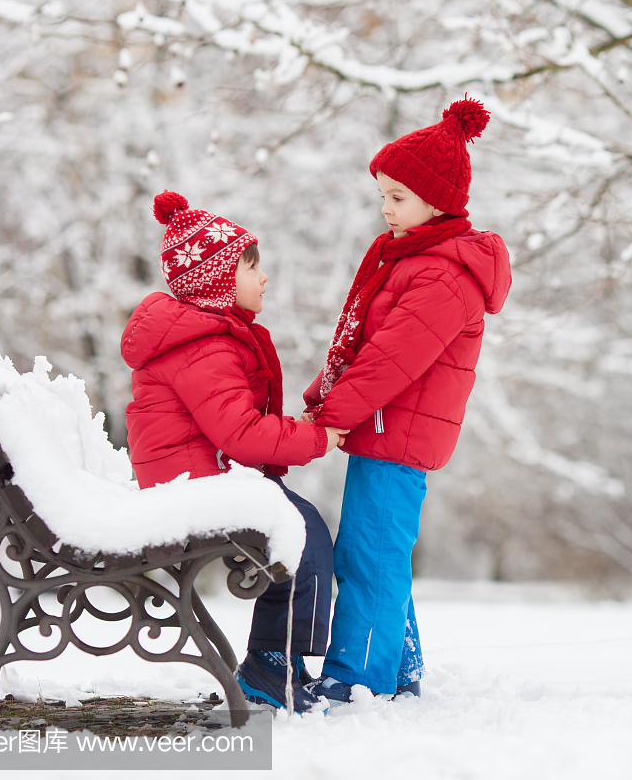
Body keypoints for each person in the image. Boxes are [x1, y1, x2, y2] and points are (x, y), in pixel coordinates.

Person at [302, 98, 512, 703]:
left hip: (400, 432)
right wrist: (324, 398)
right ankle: (398, 669)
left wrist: (329, 416)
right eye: (383, 196)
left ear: (437, 200)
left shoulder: (443, 274)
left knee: (368, 554)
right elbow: (365, 344)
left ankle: (357, 680)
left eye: (397, 196)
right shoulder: (415, 260)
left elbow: (389, 361)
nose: (386, 209)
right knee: (378, 551)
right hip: (387, 428)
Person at [120, 190, 347, 713]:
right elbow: (240, 432)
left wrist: (291, 428)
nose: (264, 277)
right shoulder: (205, 347)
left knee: (300, 525)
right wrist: (314, 438)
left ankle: (277, 661)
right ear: (219, 281)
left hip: (199, 476)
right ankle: (272, 663)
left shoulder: (205, 340)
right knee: (301, 530)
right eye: (252, 267)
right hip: (198, 485)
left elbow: (232, 424)